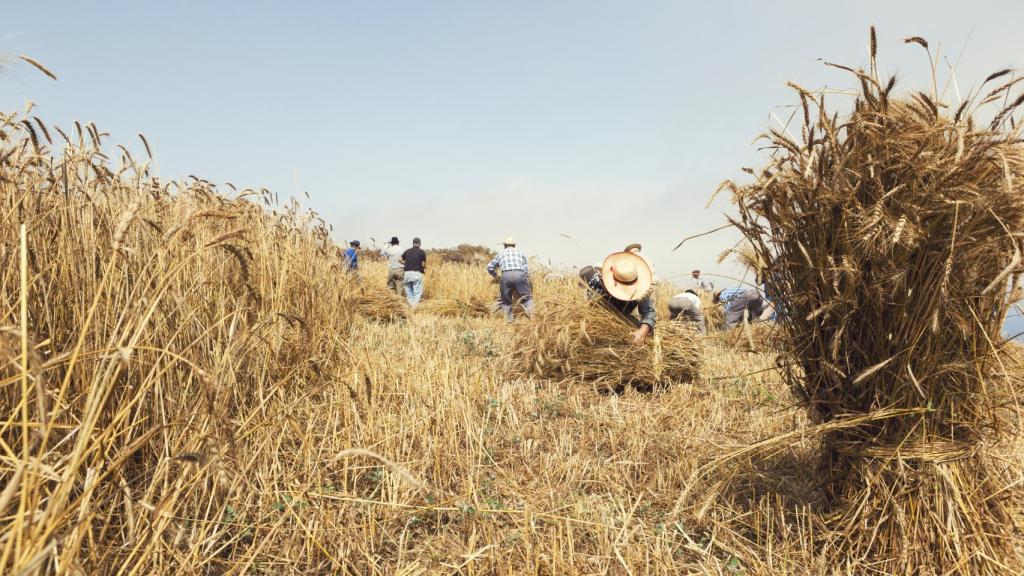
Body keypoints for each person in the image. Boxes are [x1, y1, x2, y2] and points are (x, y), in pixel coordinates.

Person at [579, 249, 656, 346]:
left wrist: (642, 332)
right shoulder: (596, 286)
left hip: (624, 321)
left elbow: (649, 312)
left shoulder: (641, 286)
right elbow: (595, 317)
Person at [487, 236, 533, 321]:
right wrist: (524, 280)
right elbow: (526, 269)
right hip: (520, 274)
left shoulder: (500, 253)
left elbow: (489, 267)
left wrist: (496, 276)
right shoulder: (521, 253)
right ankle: (532, 319)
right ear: (514, 245)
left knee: (506, 301)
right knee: (527, 298)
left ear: (504, 245)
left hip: (506, 275)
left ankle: (510, 322)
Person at [401, 237, 427, 308]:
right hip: (416, 273)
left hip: (407, 273)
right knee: (417, 292)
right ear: (420, 243)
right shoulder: (422, 252)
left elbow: (400, 260)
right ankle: (415, 307)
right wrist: (422, 267)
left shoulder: (407, 251)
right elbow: (423, 264)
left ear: (413, 243)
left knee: (409, 292)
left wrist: (406, 264)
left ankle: (411, 306)